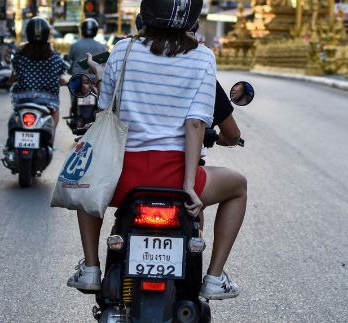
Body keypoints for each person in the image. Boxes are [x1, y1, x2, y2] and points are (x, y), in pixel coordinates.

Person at [67, 0, 248, 300]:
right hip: (176, 178)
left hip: (123, 180)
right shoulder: (202, 57)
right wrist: (188, 186)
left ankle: (90, 268)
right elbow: (195, 125)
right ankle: (214, 278)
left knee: (88, 179)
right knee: (239, 186)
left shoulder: (121, 52)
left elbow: (105, 113)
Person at [10, 18, 67, 121]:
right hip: (48, 101)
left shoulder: (20, 55)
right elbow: (60, 75)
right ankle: (51, 134)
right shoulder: (54, 57)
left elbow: (14, 75)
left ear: (28, 33)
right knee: (55, 110)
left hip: (23, 99)